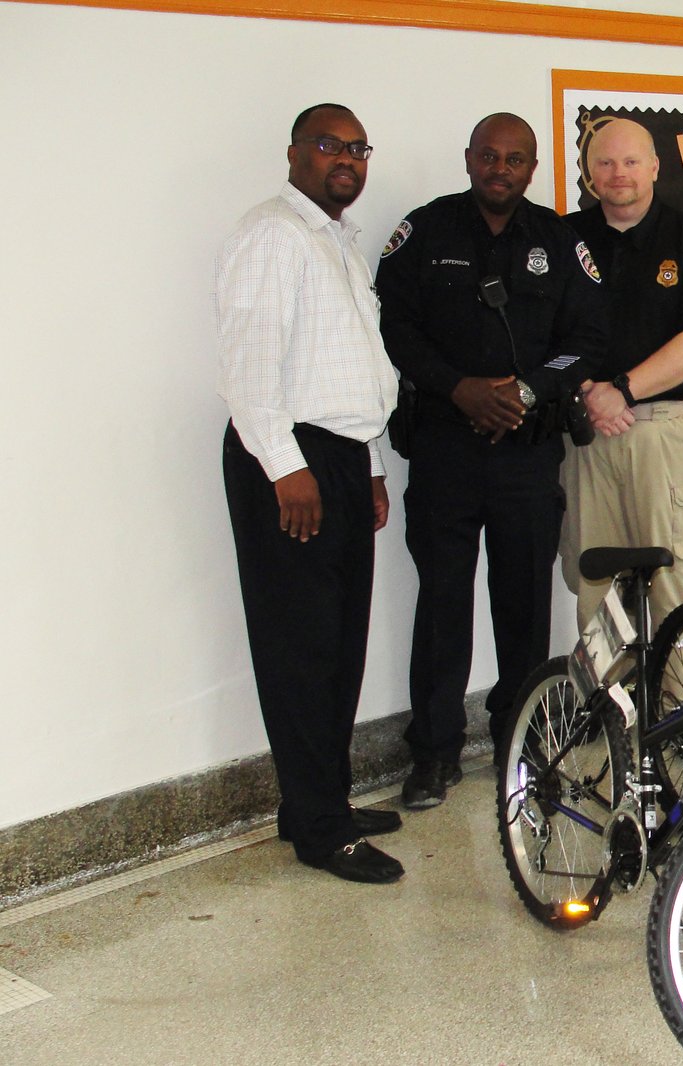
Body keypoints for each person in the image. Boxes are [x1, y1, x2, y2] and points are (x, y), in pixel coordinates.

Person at [375, 113, 605, 807]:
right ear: (469, 158)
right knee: (442, 602)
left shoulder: (559, 241)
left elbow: (586, 339)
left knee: (524, 606)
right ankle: (434, 751)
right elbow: (393, 326)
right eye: (489, 156)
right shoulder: (425, 231)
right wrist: (459, 389)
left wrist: (525, 392)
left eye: (515, 159)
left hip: (526, 452)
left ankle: (523, 741)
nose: (500, 168)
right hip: (445, 447)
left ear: (532, 168)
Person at [216, 103, 403, 884]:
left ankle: (316, 803)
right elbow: (250, 362)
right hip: (289, 460)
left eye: (358, 148)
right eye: (330, 145)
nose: (346, 160)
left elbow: (350, 369)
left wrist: (370, 465)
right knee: (302, 650)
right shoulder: (274, 233)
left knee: (339, 644)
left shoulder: (338, 241)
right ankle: (322, 830)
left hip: (340, 457)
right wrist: (284, 467)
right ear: (295, 152)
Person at [563, 118, 683, 630]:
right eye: (605, 162)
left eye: (631, 161)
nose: (619, 173)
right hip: (590, 439)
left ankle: (680, 690)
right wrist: (587, 392)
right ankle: (607, 691)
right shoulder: (566, 238)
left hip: (666, 434)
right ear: (589, 172)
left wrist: (622, 390)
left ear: (655, 167)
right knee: (597, 600)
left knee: (677, 602)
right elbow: (542, 333)